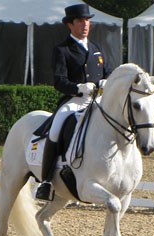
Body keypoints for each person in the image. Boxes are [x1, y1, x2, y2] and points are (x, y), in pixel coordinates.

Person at [36, 3, 112, 201]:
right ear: (70, 25)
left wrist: (107, 80)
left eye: (87, 20)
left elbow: (108, 72)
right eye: (80, 21)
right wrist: (78, 88)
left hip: (98, 100)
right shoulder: (62, 50)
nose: (85, 25)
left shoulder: (96, 48)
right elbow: (59, 81)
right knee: (55, 129)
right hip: (75, 100)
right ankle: (46, 181)